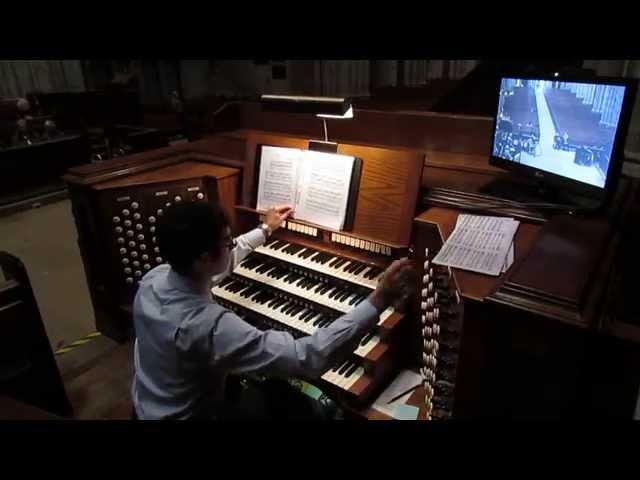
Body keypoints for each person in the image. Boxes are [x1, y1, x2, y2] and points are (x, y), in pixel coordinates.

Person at [131, 202, 416, 420]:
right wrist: (377, 301)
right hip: (191, 415)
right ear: (204, 257)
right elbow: (306, 358)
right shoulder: (209, 327)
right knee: (293, 406)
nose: (231, 247)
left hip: (149, 401)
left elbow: (212, 270)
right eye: (227, 242)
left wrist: (265, 230)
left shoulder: (155, 279)